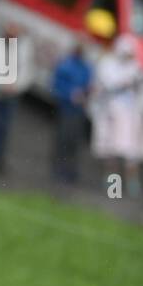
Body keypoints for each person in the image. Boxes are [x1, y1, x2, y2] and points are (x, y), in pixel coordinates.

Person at [90, 35, 143, 197]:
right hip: (112, 115)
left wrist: (140, 81)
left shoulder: (136, 67)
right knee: (111, 152)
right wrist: (126, 82)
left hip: (132, 116)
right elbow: (108, 85)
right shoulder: (107, 64)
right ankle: (113, 188)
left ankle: (132, 185)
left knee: (132, 153)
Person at [0, 24, 31, 174]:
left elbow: (26, 71)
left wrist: (15, 85)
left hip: (12, 94)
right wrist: (2, 84)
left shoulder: (23, 49)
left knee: (5, 128)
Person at [51, 44, 92, 184]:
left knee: (74, 141)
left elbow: (88, 85)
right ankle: (59, 167)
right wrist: (70, 95)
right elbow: (56, 85)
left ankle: (70, 169)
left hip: (78, 110)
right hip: (67, 108)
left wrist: (85, 94)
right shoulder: (66, 65)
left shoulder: (86, 67)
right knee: (63, 139)